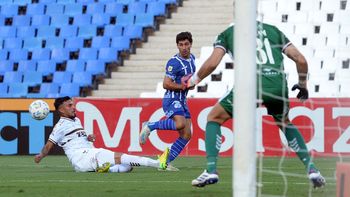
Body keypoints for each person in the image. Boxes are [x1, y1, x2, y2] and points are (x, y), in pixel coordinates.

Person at [187, 21, 326, 188]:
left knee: (214, 117)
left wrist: (194, 80)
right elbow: (300, 59)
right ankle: (312, 169)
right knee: (284, 122)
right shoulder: (273, 30)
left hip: (250, 84)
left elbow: (212, 63)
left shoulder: (229, 33)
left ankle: (211, 170)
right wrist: (302, 84)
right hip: (277, 84)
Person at [34, 96, 170, 173]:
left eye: (72, 104)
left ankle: (105, 169)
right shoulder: (60, 126)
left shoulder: (76, 120)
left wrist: (87, 137)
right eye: (69, 105)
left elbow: (74, 139)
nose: (73, 107)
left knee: (127, 167)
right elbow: (48, 146)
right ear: (61, 110)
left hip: (87, 155)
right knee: (122, 157)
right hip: (83, 157)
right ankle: (158, 164)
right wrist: (40, 156)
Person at [139, 32, 196, 171]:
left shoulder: (192, 59)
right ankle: (151, 125)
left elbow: (190, 81)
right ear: (177, 45)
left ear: (191, 44)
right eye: (180, 44)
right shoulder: (174, 62)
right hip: (172, 98)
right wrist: (182, 86)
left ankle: (164, 162)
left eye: (186, 44)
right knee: (180, 124)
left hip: (183, 100)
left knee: (187, 134)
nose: (183, 47)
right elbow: (166, 83)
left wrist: (191, 84)